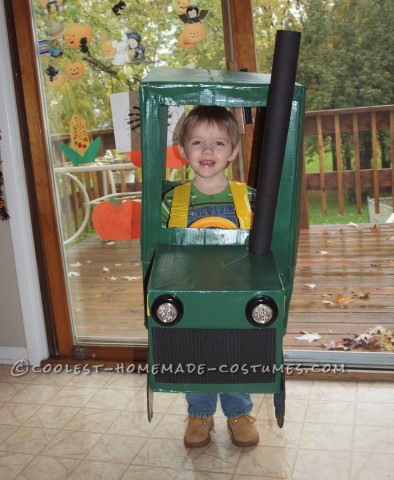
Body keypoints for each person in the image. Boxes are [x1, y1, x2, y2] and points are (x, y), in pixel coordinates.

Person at [161, 105, 259, 448]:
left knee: (235, 351)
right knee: (195, 353)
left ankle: (238, 411)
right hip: (190, 296)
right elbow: (159, 250)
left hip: (236, 294)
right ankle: (199, 412)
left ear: (233, 151)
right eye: (198, 142)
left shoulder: (248, 199)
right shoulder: (172, 201)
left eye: (218, 143)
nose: (207, 151)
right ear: (183, 150)